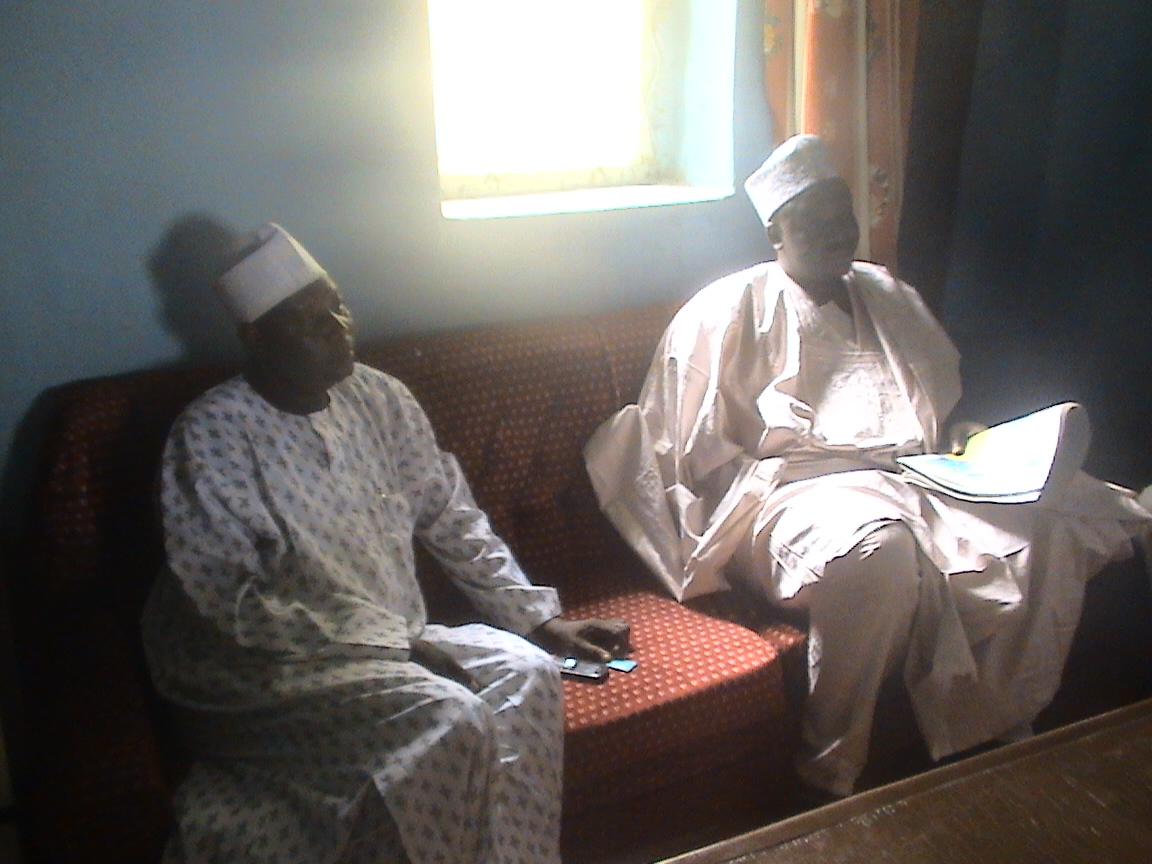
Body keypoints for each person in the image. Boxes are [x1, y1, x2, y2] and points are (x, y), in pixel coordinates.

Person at [584, 134, 1150, 799]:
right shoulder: (727, 309)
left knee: (1057, 513)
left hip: (913, 478)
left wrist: (957, 435)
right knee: (878, 549)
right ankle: (829, 768)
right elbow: (687, 450)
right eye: (812, 217)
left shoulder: (886, 292)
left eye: (842, 212)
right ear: (774, 230)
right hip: (785, 499)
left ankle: (997, 719)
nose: (834, 229)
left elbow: (927, 404)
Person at [142, 222, 630, 864]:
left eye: (338, 307)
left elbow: (450, 516)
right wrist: (391, 640)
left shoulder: (380, 398)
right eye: (310, 322)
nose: (339, 329)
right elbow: (230, 604)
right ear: (255, 337)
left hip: (393, 645)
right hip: (265, 670)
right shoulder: (212, 433)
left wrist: (538, 620)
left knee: (528, 674)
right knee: (450, 717)